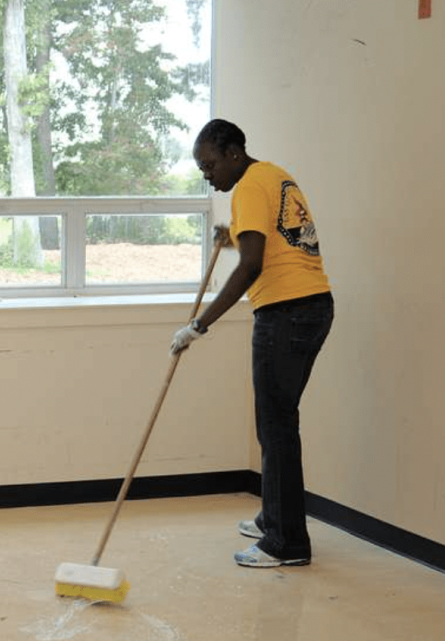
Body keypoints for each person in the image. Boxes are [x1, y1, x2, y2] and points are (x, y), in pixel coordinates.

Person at [170, 119, 334, 569]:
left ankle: (286, 544)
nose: (207, 175)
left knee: (276, 426)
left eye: (209, 165)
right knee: (276, 423)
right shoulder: (274, 175)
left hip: (287, 311)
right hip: (313, 306)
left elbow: (253, 265)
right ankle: (274, 518)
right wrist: (232, 236)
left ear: (233, 154)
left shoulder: (247, 187)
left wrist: (199, 325)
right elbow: (272, 238)